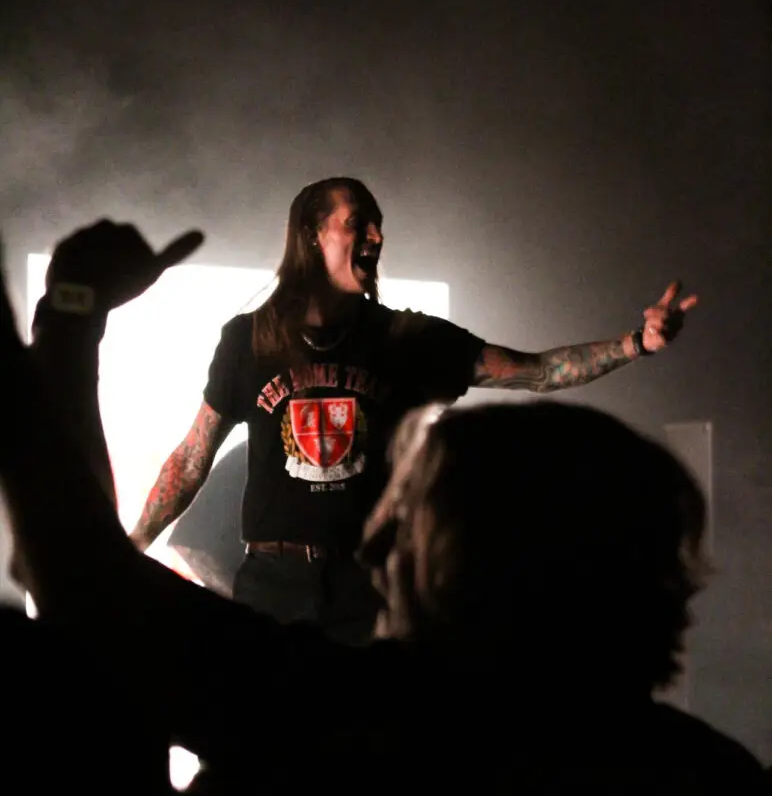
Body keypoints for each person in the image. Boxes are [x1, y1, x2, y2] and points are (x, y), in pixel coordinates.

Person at [0, 222, 766, 796]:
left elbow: (81, 576)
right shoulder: (714, 790)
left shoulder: (345, 717)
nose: (372, 552)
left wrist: (72, 316)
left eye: (404, 525)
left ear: (471, 564)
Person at [127, 177, 697, 643]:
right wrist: (129, 549)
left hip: (368, 588)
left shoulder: (407, 340)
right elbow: (192, 458)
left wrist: (636, 343)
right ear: (312, 236)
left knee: (372, 740)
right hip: (272, 586)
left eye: (378, 224)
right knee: (266, 740)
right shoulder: (249, 340)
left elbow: (539, 371)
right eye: (358, 222)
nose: (376, 236)